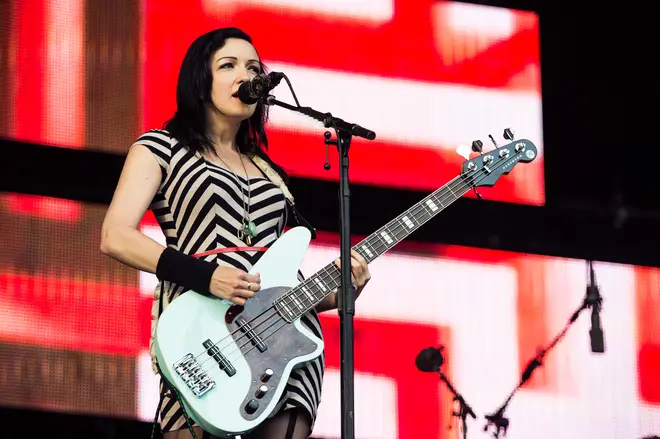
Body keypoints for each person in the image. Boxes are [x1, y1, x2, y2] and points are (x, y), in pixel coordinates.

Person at [100, 27, 371, 439]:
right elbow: (116, 236)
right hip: (202, 329)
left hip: (283, 350)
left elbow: (282, 283)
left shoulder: (271, 173)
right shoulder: (161, 147)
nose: (245, 75)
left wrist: (340, 290)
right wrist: (207, 276)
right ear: (199, 79)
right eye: (228, 65)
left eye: (253, 67)